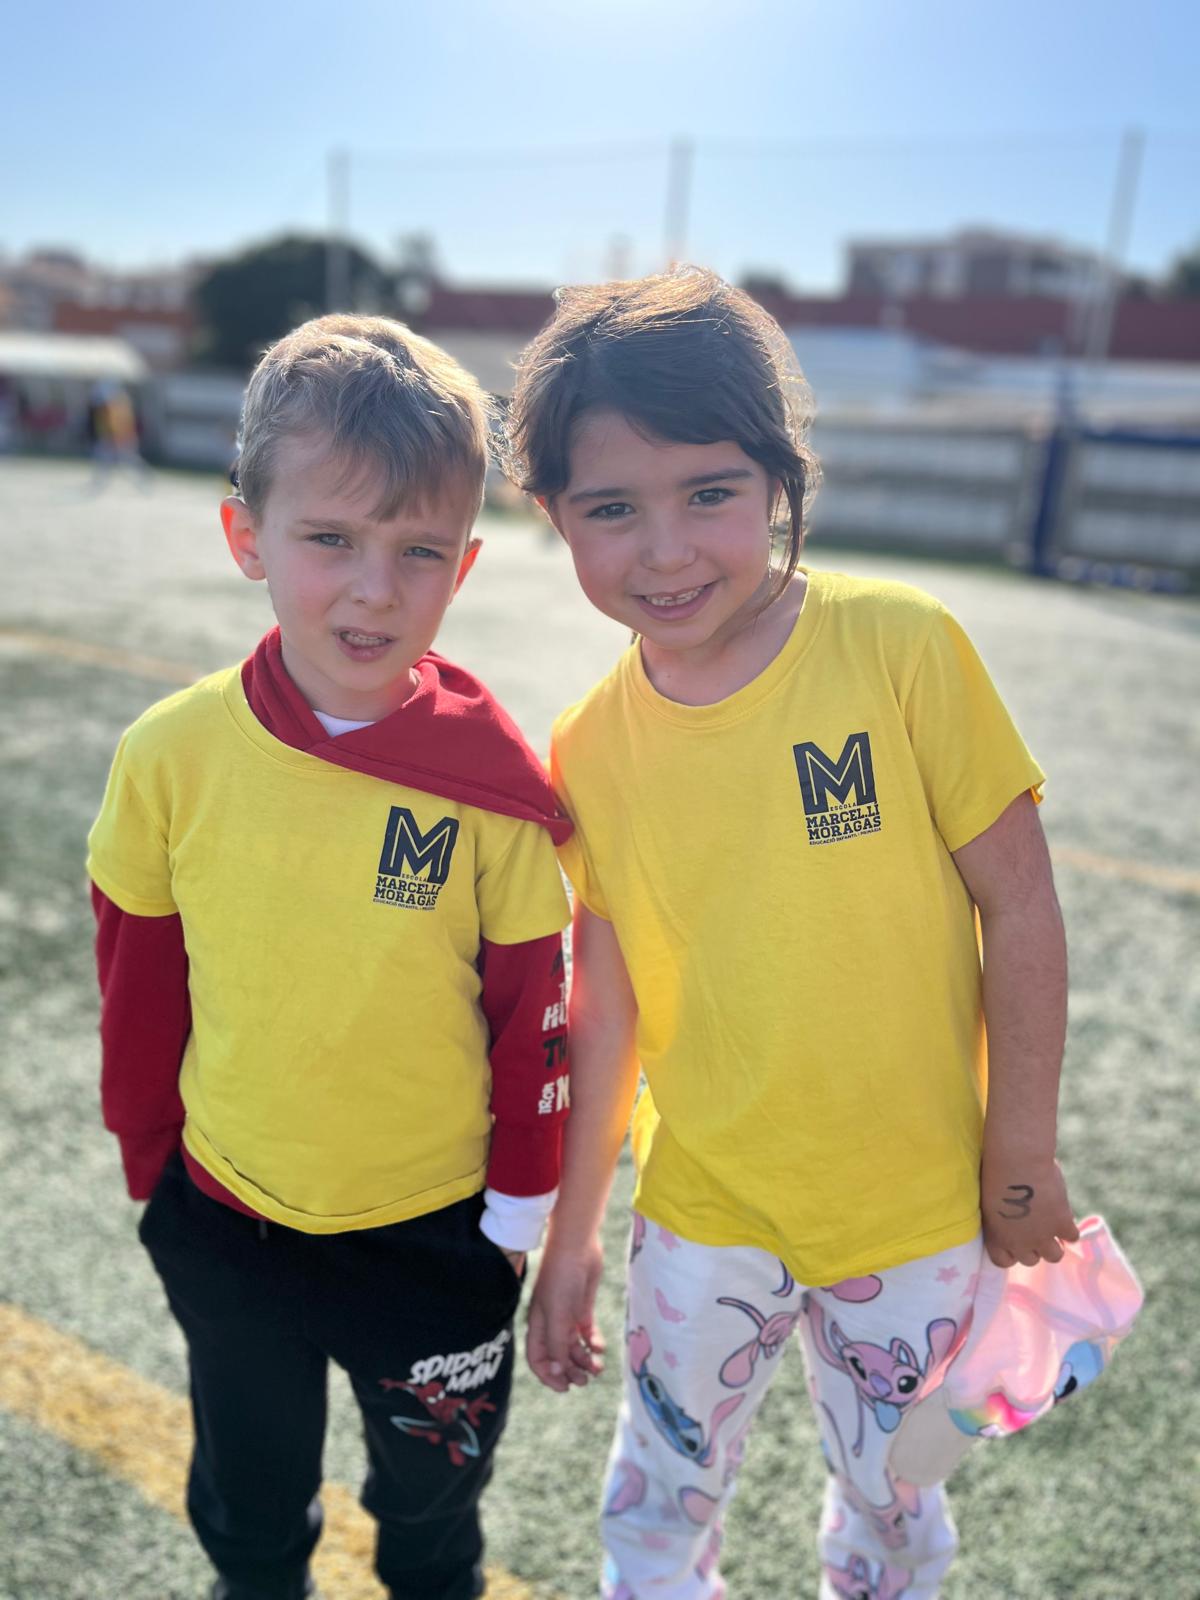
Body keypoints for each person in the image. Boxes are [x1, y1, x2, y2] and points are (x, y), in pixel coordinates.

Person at [506, 269, 1086, 1600]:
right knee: (658, 1499)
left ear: (778, 477)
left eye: (708, 492)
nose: (665, 551)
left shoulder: (899, 647)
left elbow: (1022, 903)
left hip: (914, 1212)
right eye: (611, 508)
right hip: (699, 1215)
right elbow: (606, 1008)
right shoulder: (588, 745)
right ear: (552, 515)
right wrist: (577, 1232)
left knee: (897, 1504)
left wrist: (1020, 1149)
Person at [87, 314, 572, 1600]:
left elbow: (537, 1017)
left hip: (435, 1239)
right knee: (249, 1506)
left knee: (432, 1519)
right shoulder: (170, 756)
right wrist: (153, 1168)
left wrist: (516, 1216)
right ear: (246, 535)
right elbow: (138, 984)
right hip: (228, 1215)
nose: (374, 588)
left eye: (418, 551)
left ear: (464, 566)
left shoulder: (494, 786)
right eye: (330, 539)